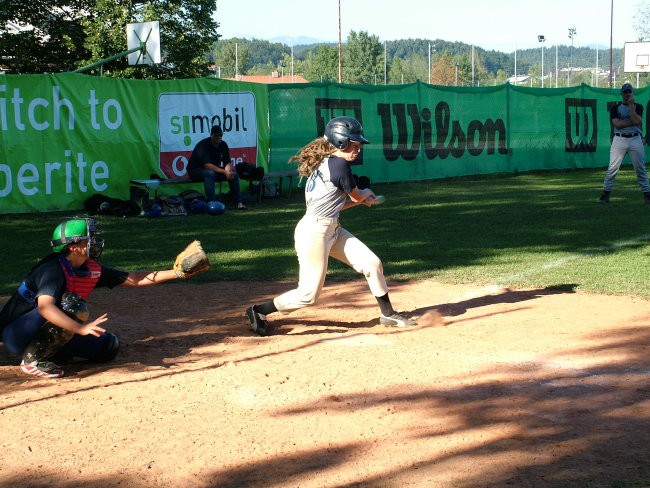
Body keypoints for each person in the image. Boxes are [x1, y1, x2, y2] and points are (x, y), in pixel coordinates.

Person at [245, 116, 416, 336]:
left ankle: (388, 314)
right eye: (354, 144)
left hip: (330, 228)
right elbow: (356, 193)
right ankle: (257, 310)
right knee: (308, 295)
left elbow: (335, 205)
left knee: (372, 263)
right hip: (314, 233)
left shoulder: (326, 162)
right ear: (340, 142)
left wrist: (359, 201)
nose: (358, 149)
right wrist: (365, 195)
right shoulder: (339, 164)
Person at [0, 217, 198, 378]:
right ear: (73, 246)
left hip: (41, 330)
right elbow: (45, 308)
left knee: (108, 346)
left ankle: (54, 351)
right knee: (73, 307)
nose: (94, 242)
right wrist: (80, 328)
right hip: (17, 334)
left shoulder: (88, 268)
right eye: (88, 238)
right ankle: (33, 360)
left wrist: (177, 272)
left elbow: (134, 279)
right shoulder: (53, 269)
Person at [598, 82, 650, 203]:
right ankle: (606, 194)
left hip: (635, 138)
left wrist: (631, 107)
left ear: (632, 93)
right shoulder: (615, 108)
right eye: (625, 92)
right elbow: (617, 124)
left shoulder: (638, 106)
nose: (627, 94)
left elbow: (636, 121)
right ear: (621, 94)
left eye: (629, 92)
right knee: (612, 168)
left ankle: (647, 195)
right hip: (619, 139)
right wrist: (633, 122)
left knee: (640, 168)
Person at [186, 125, 247, 210]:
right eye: (217, 135)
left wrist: (229, 170)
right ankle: (211, 203)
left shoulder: (223, 145)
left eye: (221, 135)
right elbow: (207, 165)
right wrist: (224, 172)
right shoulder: (204, 145)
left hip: (212, 170)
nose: (219, 137)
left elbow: (227, 162)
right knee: (210, 174)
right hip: (195, 170)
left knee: (234, 173)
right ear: (212, 135)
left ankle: (238, 203)